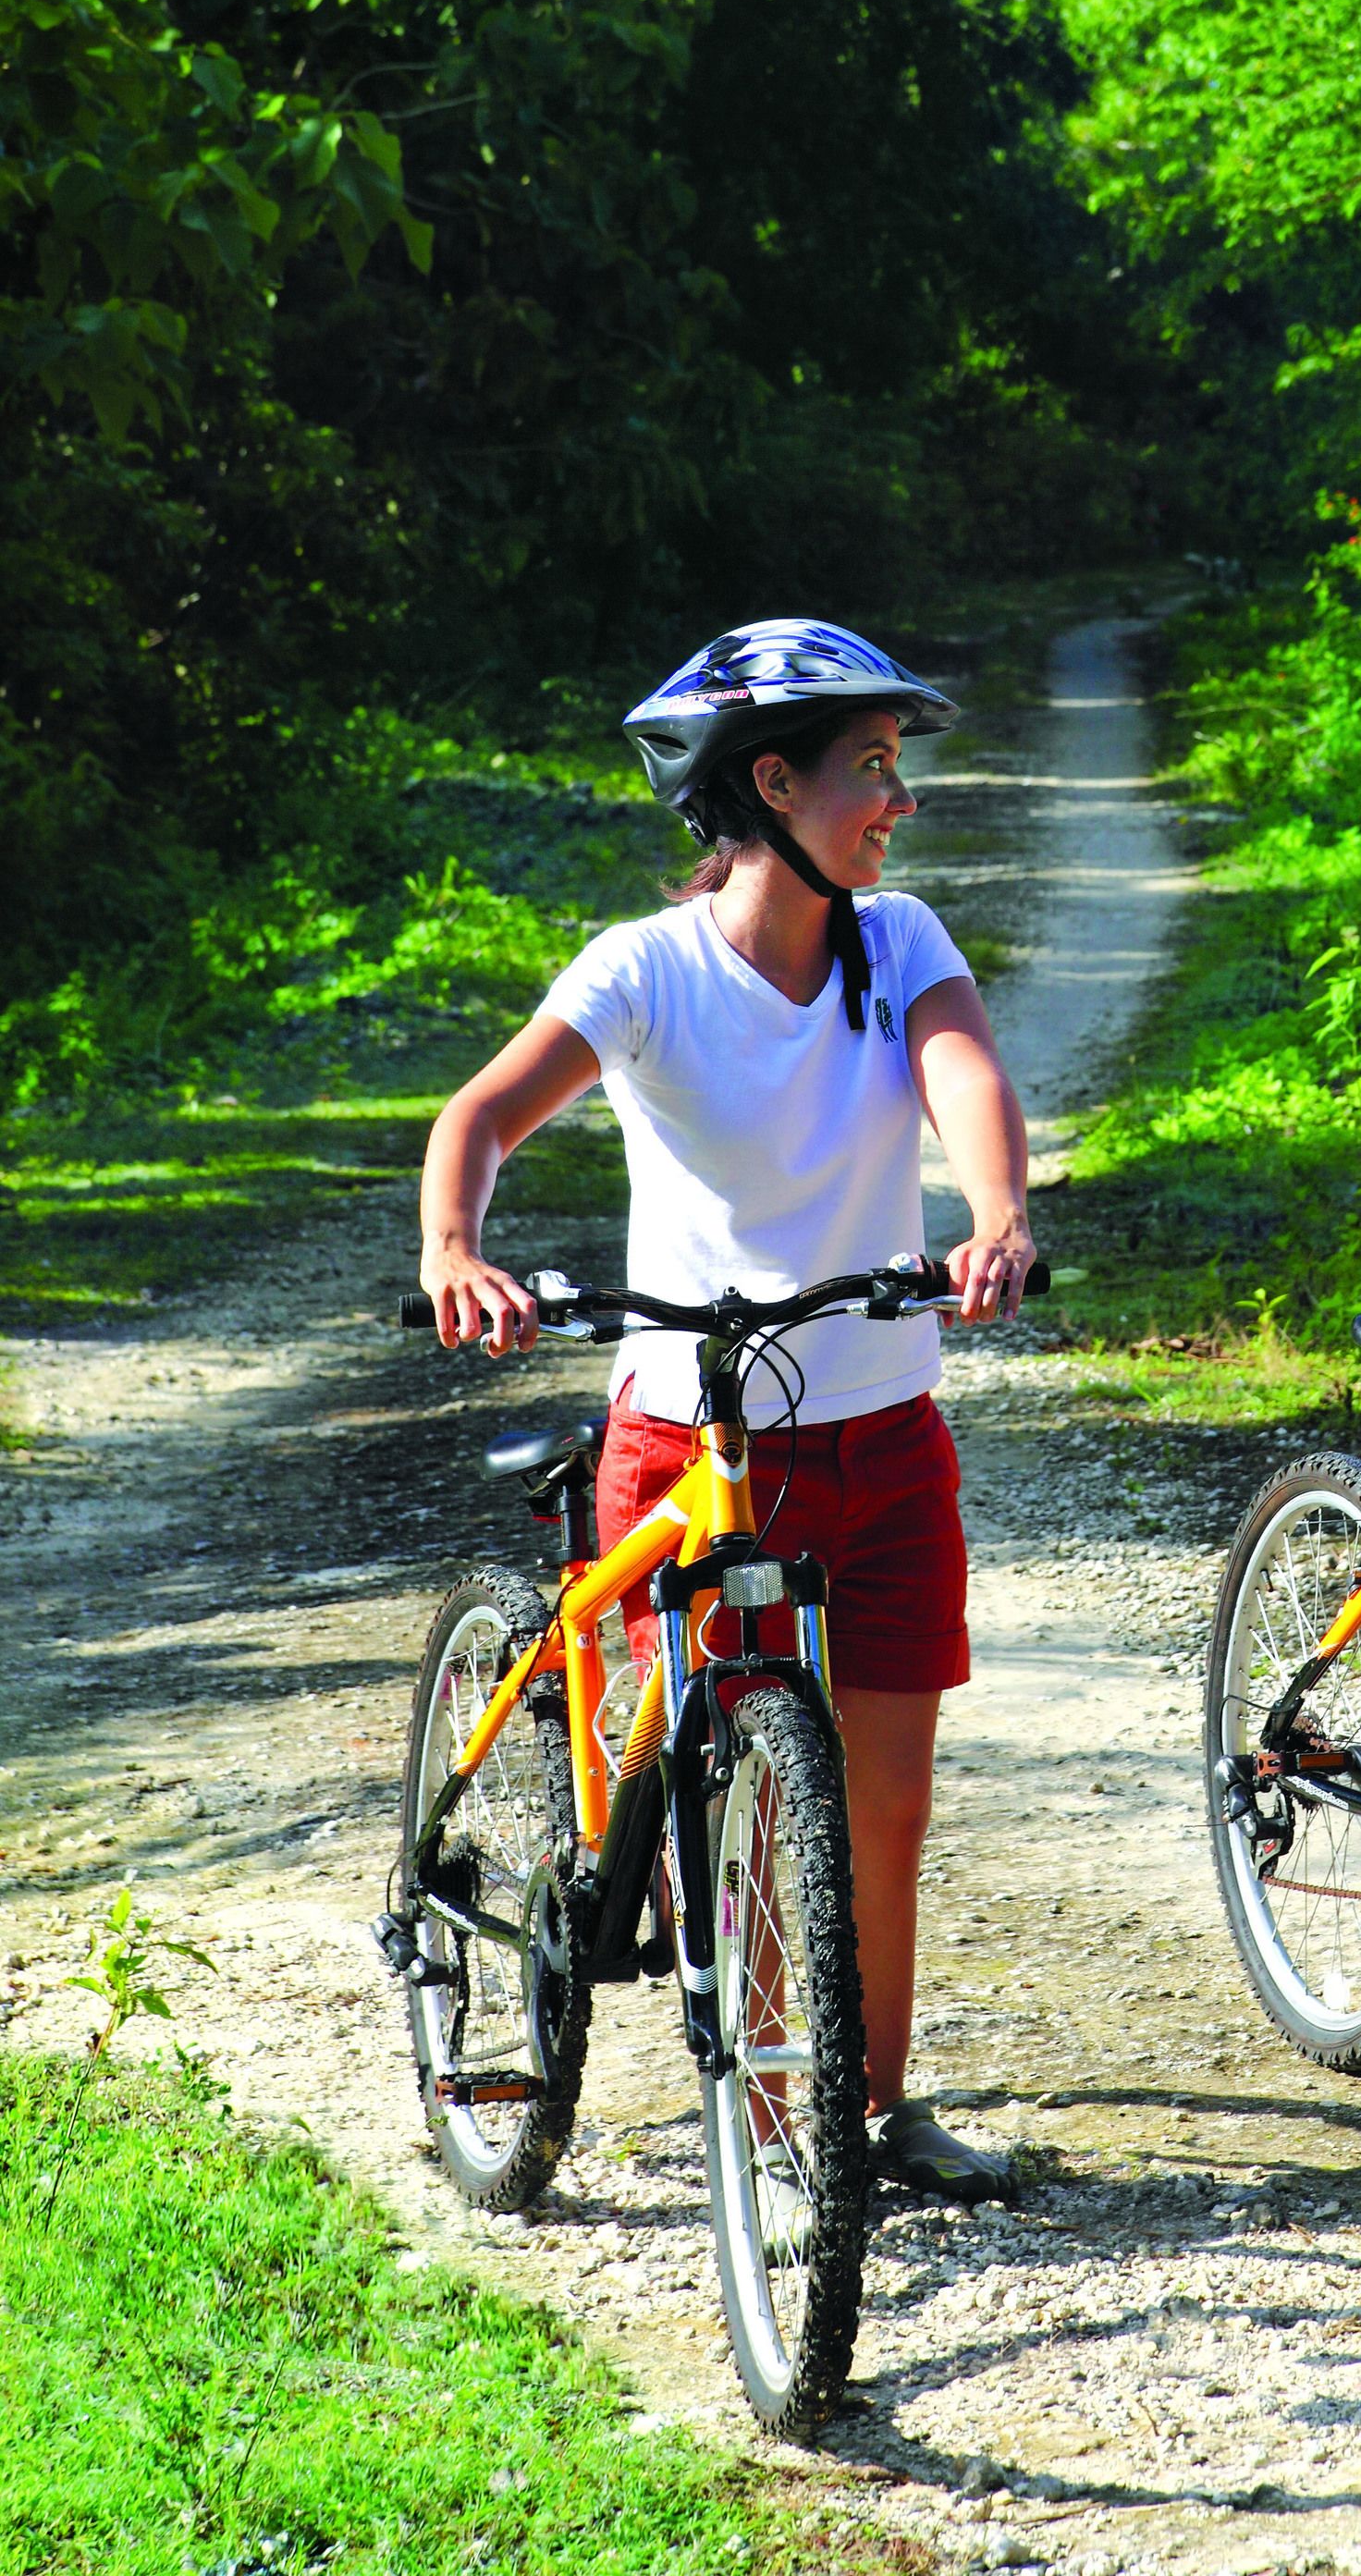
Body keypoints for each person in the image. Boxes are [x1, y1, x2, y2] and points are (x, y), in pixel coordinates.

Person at [417, 616, 1035, 2202]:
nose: (897, 800)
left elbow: (965, 1075)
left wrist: (995, 1212)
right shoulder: (650, 969)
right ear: (772, 784)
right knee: (718, 1807)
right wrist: (454, 1246)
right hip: (691, 1444)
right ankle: (770, 2114)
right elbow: (482, 1114)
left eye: (898, 768)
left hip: (886, 1434)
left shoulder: (902, 942)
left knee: (879, 1803)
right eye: (870, 770)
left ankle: (869, 2108)